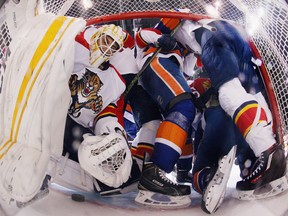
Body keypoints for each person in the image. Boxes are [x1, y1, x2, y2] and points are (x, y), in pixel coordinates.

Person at [159, 15, 287, 202]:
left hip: (215, 121)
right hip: (239, 38)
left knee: (228, 93)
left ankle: (264, 152)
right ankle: (266, 158)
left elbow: (187, 121)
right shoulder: (205, 24)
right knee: (253, 94)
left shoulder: (178, 25)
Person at [53, 23, 134, 191]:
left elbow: (109, 113)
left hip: (76, 127)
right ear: (98, 36)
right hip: (53, 112)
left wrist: (114, 133)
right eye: (106, 41)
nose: (107, 48)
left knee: (101, 154)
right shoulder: (75, 47)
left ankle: (100, 182)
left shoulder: (116, 82)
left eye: (114, 46)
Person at [133, 20, 197, 208]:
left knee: (183, 119)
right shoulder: (180, 19)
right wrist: (159, 38)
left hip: (164, 70)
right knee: (183, 107)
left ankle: (182, 171)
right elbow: (141, 35)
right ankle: (155, 173)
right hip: (158, 63)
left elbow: (186, 73)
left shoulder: (188, 48)